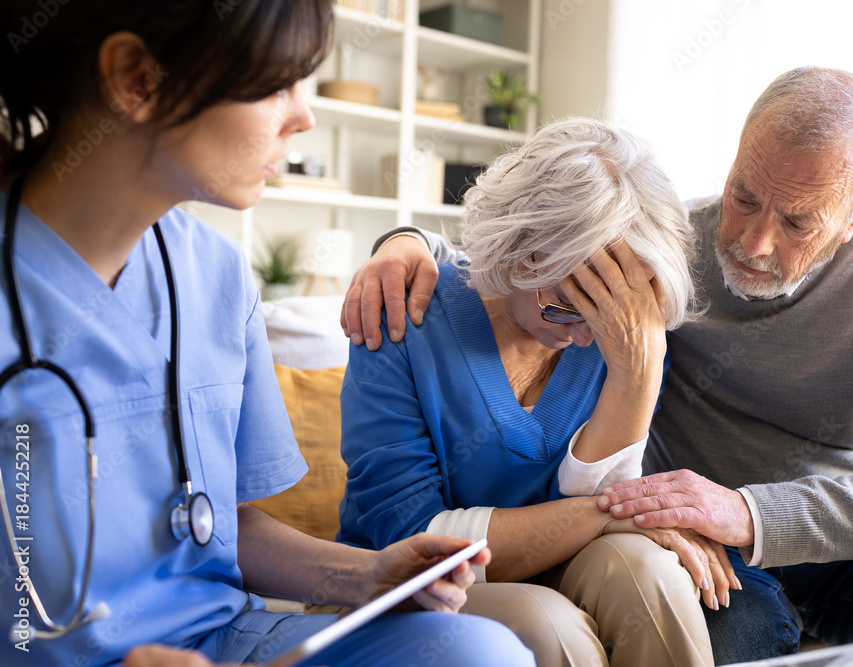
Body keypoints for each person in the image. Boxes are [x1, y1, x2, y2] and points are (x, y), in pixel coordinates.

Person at [339, 67, 853, 666]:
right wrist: (403, 242)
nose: (752, 240)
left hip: (840, 547)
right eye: (743, 194)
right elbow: (524, 251)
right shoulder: (662, 251)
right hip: (707, 558)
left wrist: (747, 511)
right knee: (714, 625)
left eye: (797, 222)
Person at [0, 2, 536, 667]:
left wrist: (368, 577)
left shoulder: (216, 275)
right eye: (275, 83)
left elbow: (225, 524)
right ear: (136, 80)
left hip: (230, 642)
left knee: (478, 654)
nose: (303, 115)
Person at [337, 117, 736, 667]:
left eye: (609, 317)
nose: (582, 337)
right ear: (515, 250)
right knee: (547, 627)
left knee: (650, 575)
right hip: (406, 582)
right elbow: (412, 541)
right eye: (566, 307)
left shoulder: (624, 336)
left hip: (558, 559)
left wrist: (637, 370)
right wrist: (602, 513)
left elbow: (600, 514)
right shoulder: (405, 315)